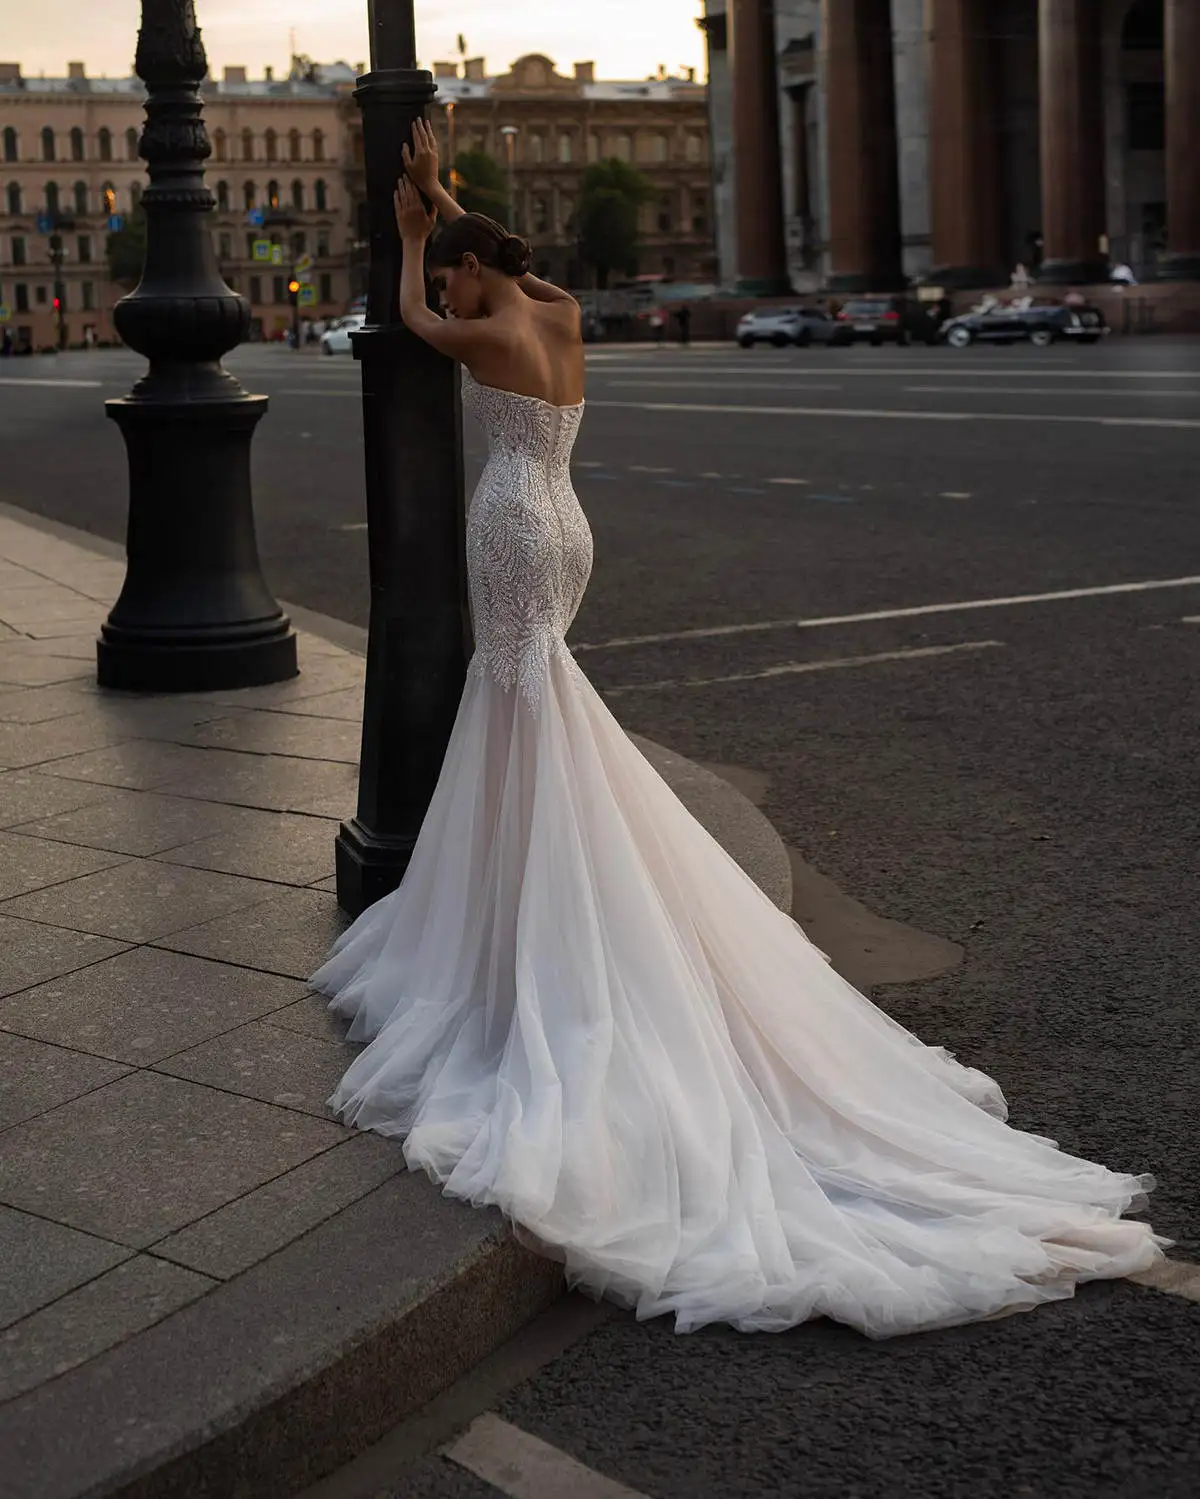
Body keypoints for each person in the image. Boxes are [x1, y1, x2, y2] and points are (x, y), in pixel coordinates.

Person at [311, 118, 1165, 1340]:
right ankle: (536, 880)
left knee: (516, 706)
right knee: (540, 705)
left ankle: (526, 908)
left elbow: (411, 323)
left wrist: (408, 239)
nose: (445, 281)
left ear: (470, 276)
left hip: (509, 524)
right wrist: (446, 198)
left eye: (453, 267)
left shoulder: (484, 323)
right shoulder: (553, 314)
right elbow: (504, 267)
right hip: (568, 525)